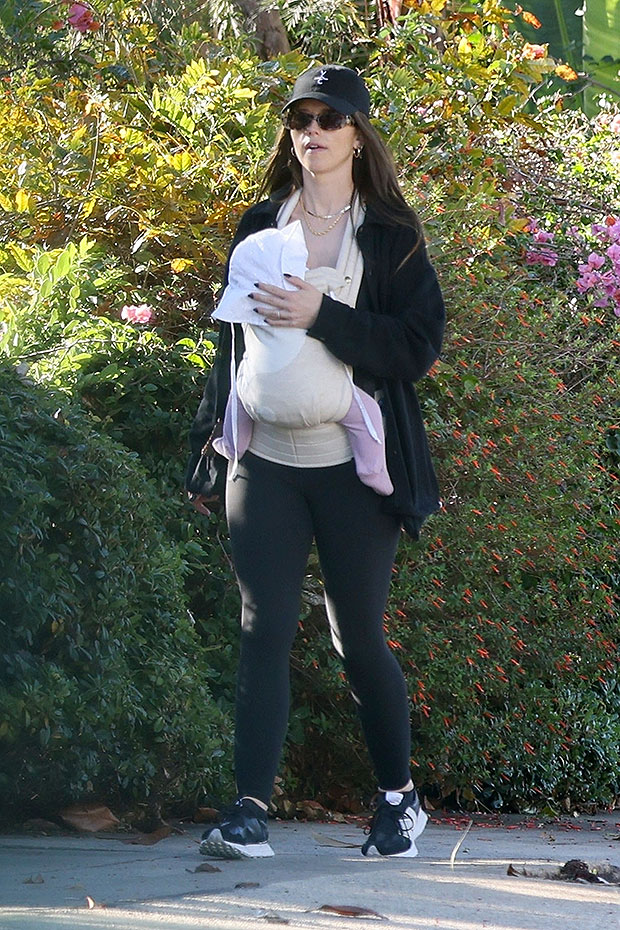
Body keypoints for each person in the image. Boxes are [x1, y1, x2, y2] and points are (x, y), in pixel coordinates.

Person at [186, 64, 445, 860]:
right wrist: (209, 437)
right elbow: (229, 340)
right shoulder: (260, 223)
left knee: (354, 637)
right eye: (302, 118)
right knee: (261, 628)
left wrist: (322, 314)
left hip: (352, 468)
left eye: (331, 119)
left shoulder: (391, 235)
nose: (314, 131)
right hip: (263, 463)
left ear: (358, 136)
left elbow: (416, 346)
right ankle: (248, 811)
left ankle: (399, 802)